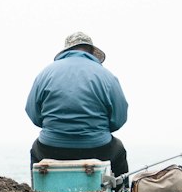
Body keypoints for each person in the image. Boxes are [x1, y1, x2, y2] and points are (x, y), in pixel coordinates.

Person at [26, 31, 129, 181]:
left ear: (66, 51)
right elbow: (119, 119)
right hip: (98, 149)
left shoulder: (45, 74)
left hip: (51, 149)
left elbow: (34, 116)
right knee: (118, 150)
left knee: (36, 149)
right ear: (91, 52)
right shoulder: (107, 76)